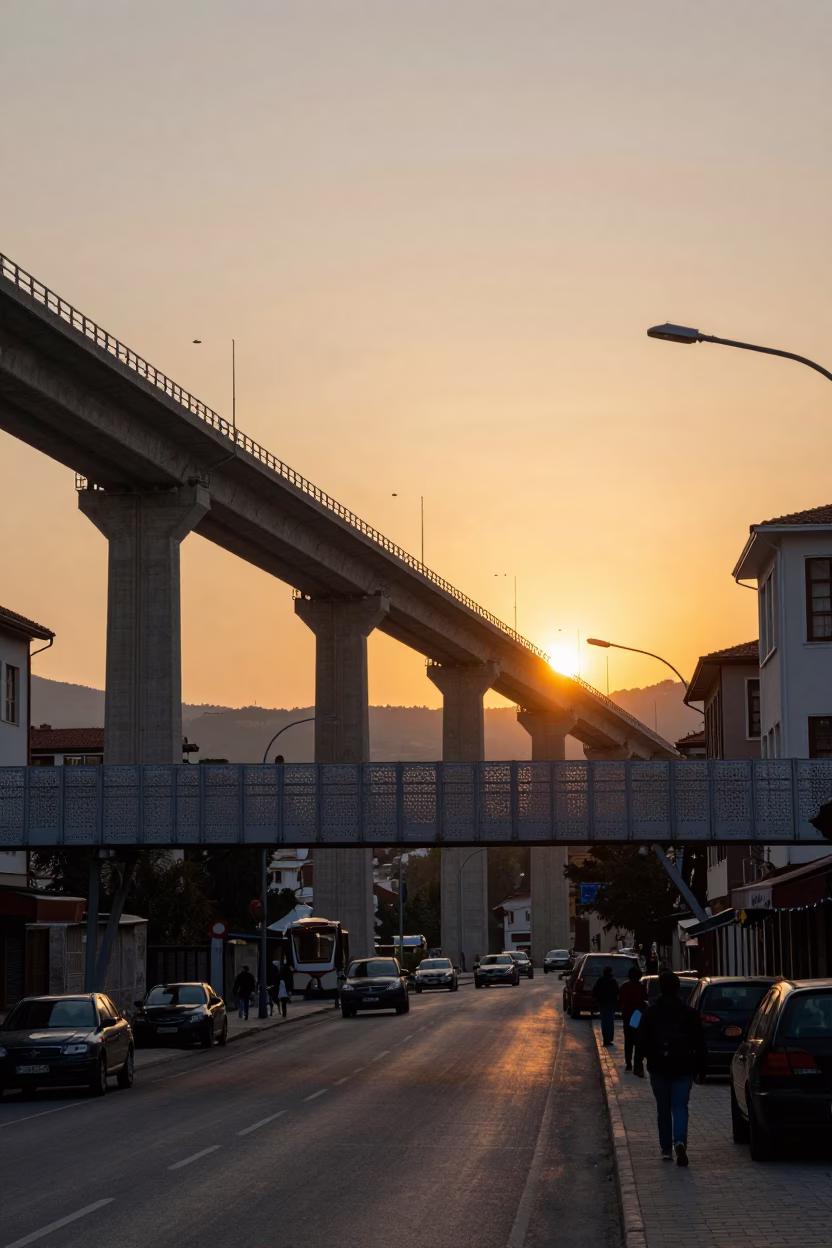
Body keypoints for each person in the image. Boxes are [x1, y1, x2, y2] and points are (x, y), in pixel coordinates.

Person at [634, 970, 707, 1167]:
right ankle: (680, 1141)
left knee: (663, 1108)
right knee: (680, 1106)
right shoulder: (689, 1013)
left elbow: (641, 1038)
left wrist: (637, 1062)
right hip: (683, 1066)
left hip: (658, 1066)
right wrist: (702, 1068)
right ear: (677, 989)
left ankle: (666, 1148)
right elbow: (700, 1042)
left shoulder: (650, 1012)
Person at [619, 966, 649, 1072]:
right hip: (637, 1016)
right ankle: (637, 1064)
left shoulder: (624, 986)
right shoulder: (640, 987)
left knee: (629, 1040)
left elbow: (620, 1000)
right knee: (638, 1041)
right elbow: (645, 998)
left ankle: (628, 1063)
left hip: (627, 1015)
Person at [592, 965, 620, 1046]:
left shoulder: (600, 980)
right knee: (610, 1022)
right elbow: (617, 993)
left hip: (603, 1005)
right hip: (610, 1005)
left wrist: (596, 1001)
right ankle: (608, 1039)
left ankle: (606, 1039)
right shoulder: (613, 981)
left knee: (605, 1022)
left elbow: (595, 991)